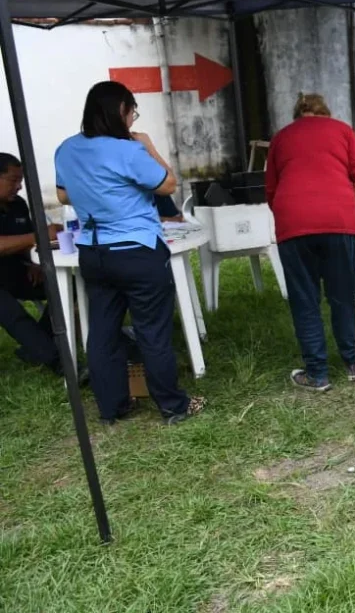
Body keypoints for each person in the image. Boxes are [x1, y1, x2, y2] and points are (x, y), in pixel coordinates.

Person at [55, 81, 204, 425]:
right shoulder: (129, 150)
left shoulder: (67, 149)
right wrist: (148, 145)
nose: (133, 118)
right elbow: (167, 184)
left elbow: (63, 196)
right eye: (132, 111)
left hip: (93, 252)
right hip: (137, 251)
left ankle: (113, 407)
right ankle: (172, 406)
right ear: (121, 111)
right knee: (153, 331)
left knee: (103, 332)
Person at [267, 92, 355, 390]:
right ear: (324, 112)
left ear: (297, 115)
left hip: (294, 224)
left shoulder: (281, 138)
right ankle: (352, 363)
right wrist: (339, 208)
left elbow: (271, 192)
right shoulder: (342, 130)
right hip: (338, 223)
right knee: (341, 294)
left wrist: (297, 215)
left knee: (305, 300)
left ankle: (317, 374)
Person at [0, 152, 63, 374]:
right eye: (13, 180)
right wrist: (39, 236)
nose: (18, 186)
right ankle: (59, 362)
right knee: (12, 313)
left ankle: (34, 346)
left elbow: (23, 241)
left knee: (65, 287)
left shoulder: (18, 204)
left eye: (21, 181)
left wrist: (34, 264)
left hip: (17, 271)